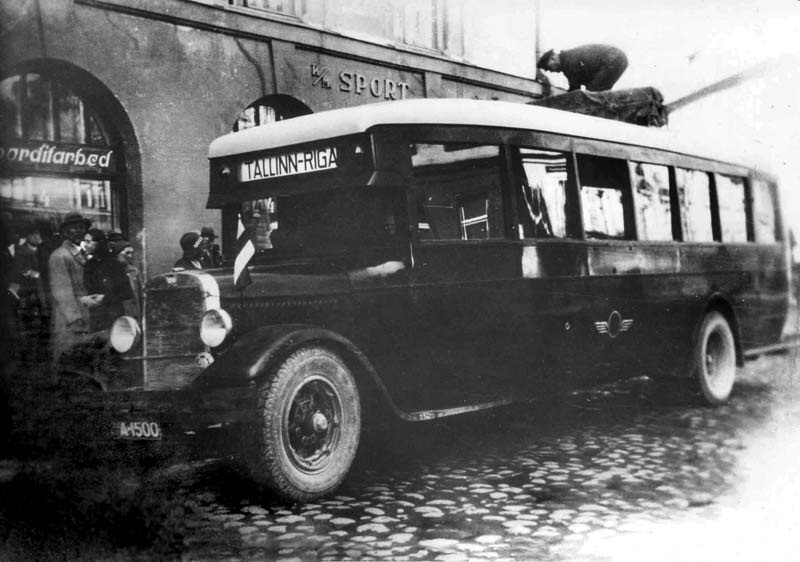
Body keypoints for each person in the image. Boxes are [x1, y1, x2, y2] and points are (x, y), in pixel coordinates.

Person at [48, 213, 104, 367]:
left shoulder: (81, 254)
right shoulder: (60, 256)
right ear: (65, 232)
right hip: (71, 319)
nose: (78, 231)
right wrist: (75, 319)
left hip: (85, 315)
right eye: (73, 228)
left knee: (84, 363)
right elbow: (62, 292)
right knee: (70, 362)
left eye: (81, 228)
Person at [12, 222, 48, 363]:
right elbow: (19, 273)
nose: (39, 237)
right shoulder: (22, 252)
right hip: (30, 298)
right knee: (31, 329)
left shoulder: (40, 251)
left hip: (41, 295)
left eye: (39, 233)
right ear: (28, 236)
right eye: (35, 234)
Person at [537, 44, 628, 92]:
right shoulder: (568, 59)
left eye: (549, 68)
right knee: (599, 92)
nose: (552, 72)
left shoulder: (568, 62)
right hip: (618, 58)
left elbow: (575, 89)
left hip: (613, 58)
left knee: (592, 93)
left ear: (553, 58)